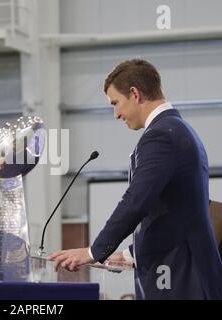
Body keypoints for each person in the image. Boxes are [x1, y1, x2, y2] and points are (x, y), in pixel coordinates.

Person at [48, 59, 222, 299]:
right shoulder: (177, 129)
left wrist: (93, 251)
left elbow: (137, 200)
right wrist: (130, 254)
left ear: (135, 94)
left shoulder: (161, 135)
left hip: (178, 277)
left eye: (116, 103)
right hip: (182, 270)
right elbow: (175, 210)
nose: (116, 114)